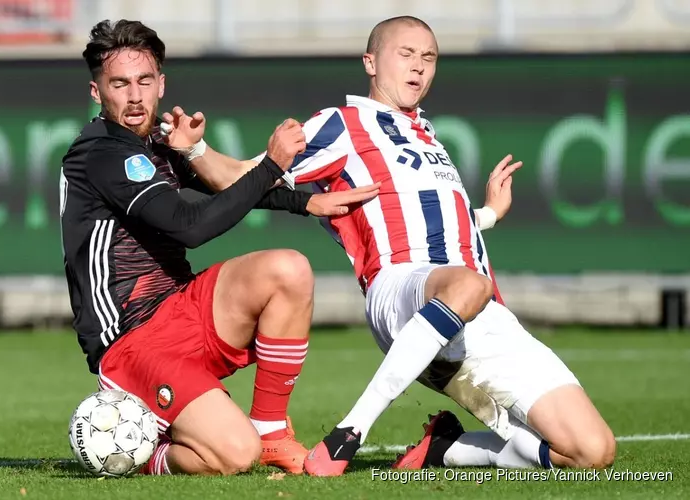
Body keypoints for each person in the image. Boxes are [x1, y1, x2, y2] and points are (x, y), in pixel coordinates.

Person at [179, 16, 616, 476]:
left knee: (592, 452)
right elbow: (243, 181)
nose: (419, 67)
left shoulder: (426, 133)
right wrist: (194, 150)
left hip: (475, 310)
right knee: (468, 285)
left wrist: (486, 215)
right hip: (402, 289)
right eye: (405, 54)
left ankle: (447, 450)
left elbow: (430, 225)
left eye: (428, 58)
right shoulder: (341, 124)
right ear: (370, 62)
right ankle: (351, 431)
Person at [59, 19, 380, 477]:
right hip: (132, 343)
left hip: (182, 309)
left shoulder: (155, 140)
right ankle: (141, 449)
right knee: (233, 455)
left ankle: (272, 432)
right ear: (97, 92)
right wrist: (272, 164)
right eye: (120, 84)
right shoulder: (102, 153)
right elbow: (188, 226)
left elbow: (223, 185)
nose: (135, 96)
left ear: (161, 83)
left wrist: (304, 201)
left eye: (145, 81)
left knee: (288, 269)